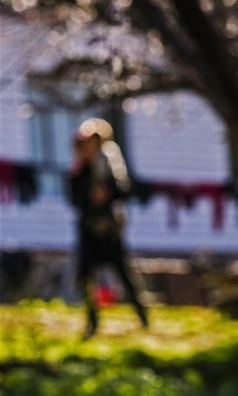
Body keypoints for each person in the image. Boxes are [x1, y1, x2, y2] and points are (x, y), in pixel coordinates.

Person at [70, 118, 147, 338]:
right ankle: (92, 320)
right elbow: (74, 199)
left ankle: (142, 315)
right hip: (88, 229)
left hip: (110, 229)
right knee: (86, 276)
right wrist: (88, 196)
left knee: (123, 273)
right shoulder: (79, 169)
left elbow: (124, 191)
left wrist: (107, 194)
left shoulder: (111, 164)